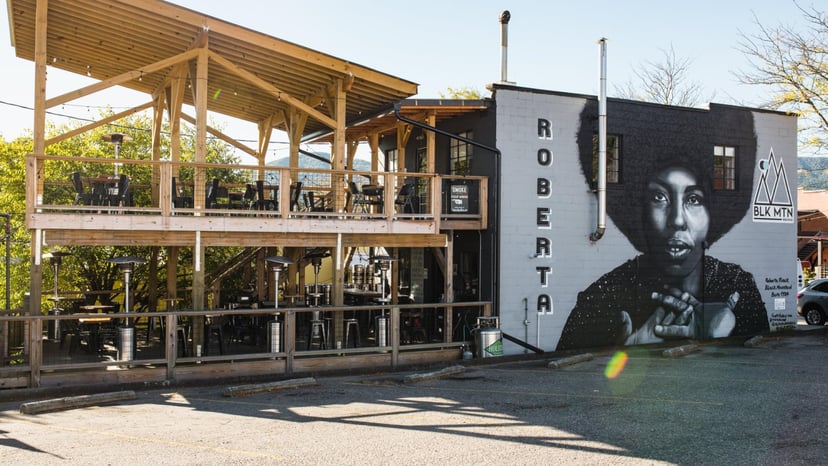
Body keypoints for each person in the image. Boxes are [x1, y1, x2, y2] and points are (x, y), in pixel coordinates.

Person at [558, 161, 768, 350]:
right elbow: (566, 375)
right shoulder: (600, 298)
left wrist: (721, 336)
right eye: (659, 198)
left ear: (711, 218)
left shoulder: (736, 283)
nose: (677, 220)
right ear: (641, 215)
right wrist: (624, 350)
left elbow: (763, 367)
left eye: (693, 199)